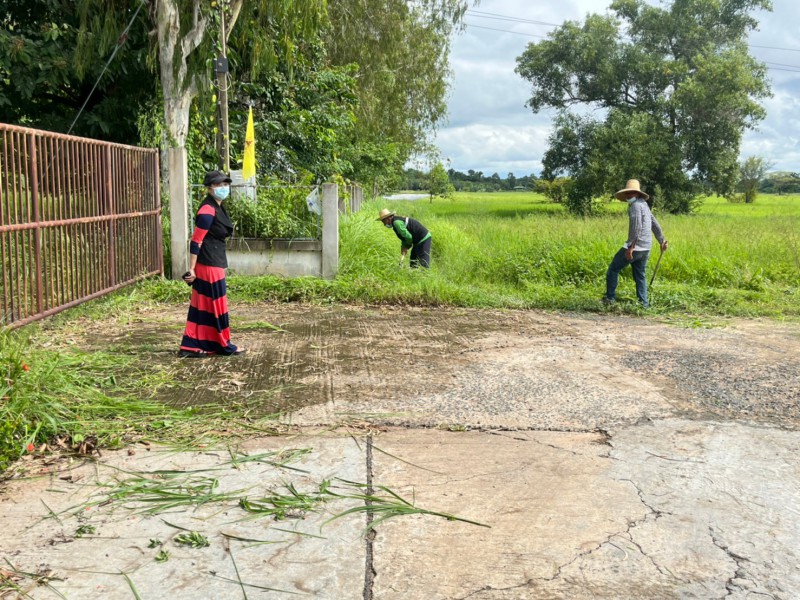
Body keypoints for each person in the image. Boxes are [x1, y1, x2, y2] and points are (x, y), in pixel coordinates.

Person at [178, 170, 246, 357]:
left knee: (204, 305)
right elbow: (196, 241)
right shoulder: (207, 210)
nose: (223, 188)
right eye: (218, 185)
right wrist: (192, 269)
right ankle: (223, 345)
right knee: (216, 306)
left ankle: (191, 346)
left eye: (225, 184)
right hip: (208, 264)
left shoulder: (217, 206)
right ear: (209, 188)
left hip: (213, 261)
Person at [602, 179, 668, 308]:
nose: (628, 195)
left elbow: (636, 227)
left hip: (636, 247)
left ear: (637, 194)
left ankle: (610, 298)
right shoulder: (644, 204)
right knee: (640, 275)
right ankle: (643, 304)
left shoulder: (635, 206)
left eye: (631, 193)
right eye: (627, 193)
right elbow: (654, 223)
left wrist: (630, 247)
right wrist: (661, 240)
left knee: (613, 269)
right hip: (646, 247)